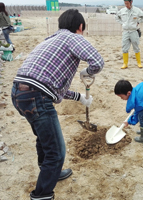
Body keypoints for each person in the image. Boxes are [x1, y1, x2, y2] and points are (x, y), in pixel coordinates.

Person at [11, 9, 104, 200]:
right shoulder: (73, 37)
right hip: (37, 95)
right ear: (80, 27)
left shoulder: (49, 40)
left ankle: (50, 173)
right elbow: (98, 62)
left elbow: (51, 86)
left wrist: (80, 97)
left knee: (44, 138)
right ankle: (42, 195)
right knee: (56, 151)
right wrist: (87, 71)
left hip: (19, 92)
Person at [115, 0, 143, 69]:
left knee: (136, 46)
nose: (126, 5)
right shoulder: (122, 11)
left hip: (133, 31)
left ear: (131, 2)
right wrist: (122, 23)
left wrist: (138, 21)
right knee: (124, 47)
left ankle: (139, 63)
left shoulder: (137, 10)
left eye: (127, 3)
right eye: (125, 3)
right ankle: (125, 64)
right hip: (125, 31)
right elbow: (116, 17)